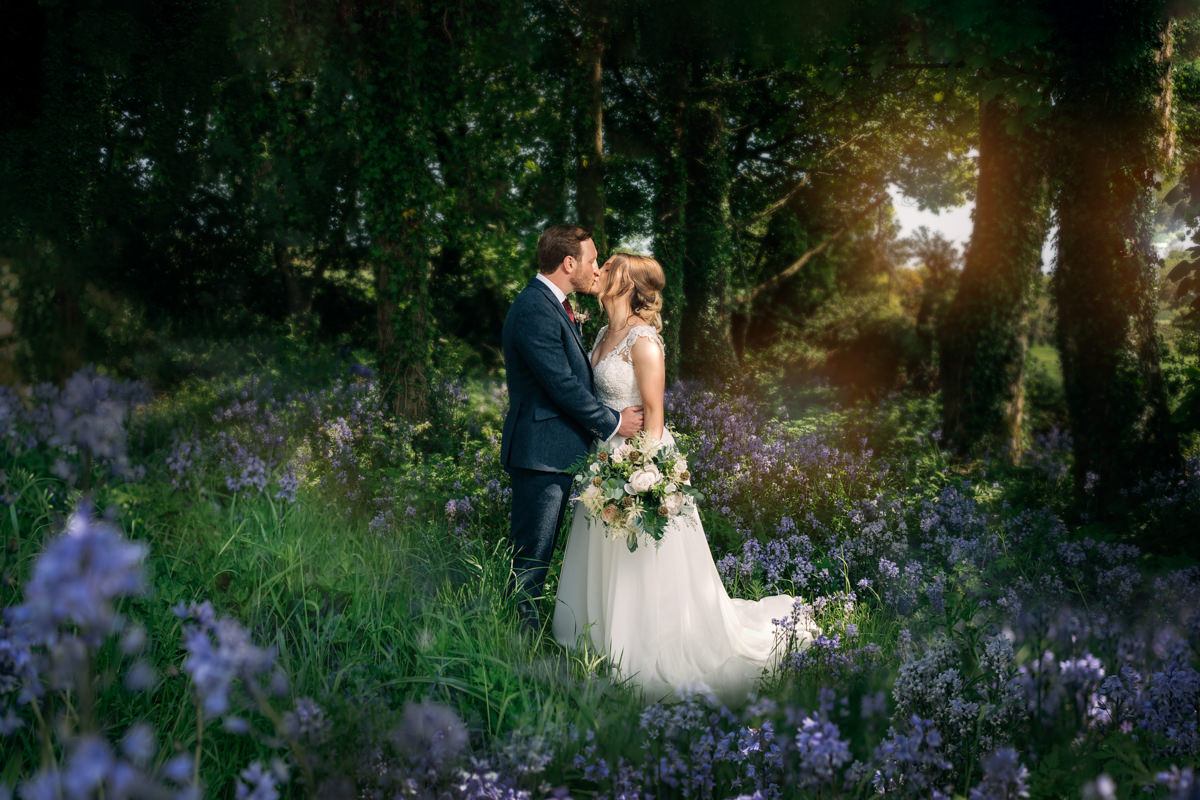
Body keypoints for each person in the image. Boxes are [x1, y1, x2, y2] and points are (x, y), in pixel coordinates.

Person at [552, 253, 818, 704]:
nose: (599, 272)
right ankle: (597, 641)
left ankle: (640, 648)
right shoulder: (601, 334)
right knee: (602, 553)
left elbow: (655, 418)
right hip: (604, 458)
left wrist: (640, 479)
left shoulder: (644, 340)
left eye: (609, 267)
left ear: (628, 284)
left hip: (638, 462)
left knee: (639, 558)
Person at [501, 225, 644, 630]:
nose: (596, 268)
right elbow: (560, 384)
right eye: (592, 259)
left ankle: (520, 634)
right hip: (540, 453)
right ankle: (518, 644)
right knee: (531, 559)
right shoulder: (534, 308)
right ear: (569, 263)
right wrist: (613, 422)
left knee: (537, 554)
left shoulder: (551, 305)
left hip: (551, 452)